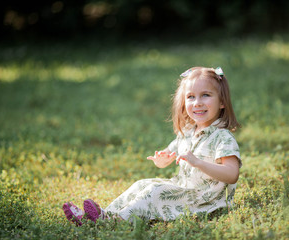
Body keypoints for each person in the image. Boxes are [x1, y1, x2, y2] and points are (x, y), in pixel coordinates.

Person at [63, 66, 242, 225]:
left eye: (206, 95)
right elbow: (170, 153)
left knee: (155, 191)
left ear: (222, 102)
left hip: (204, 198)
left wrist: (199, 163)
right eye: (190, 97)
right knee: (142, 184)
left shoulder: (222, 138)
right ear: (183, 102)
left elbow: (232, 174)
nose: (197, 103)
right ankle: (104, 214)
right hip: (183, 187)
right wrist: (162, 159)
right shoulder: (188, 131)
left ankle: (113, 222)